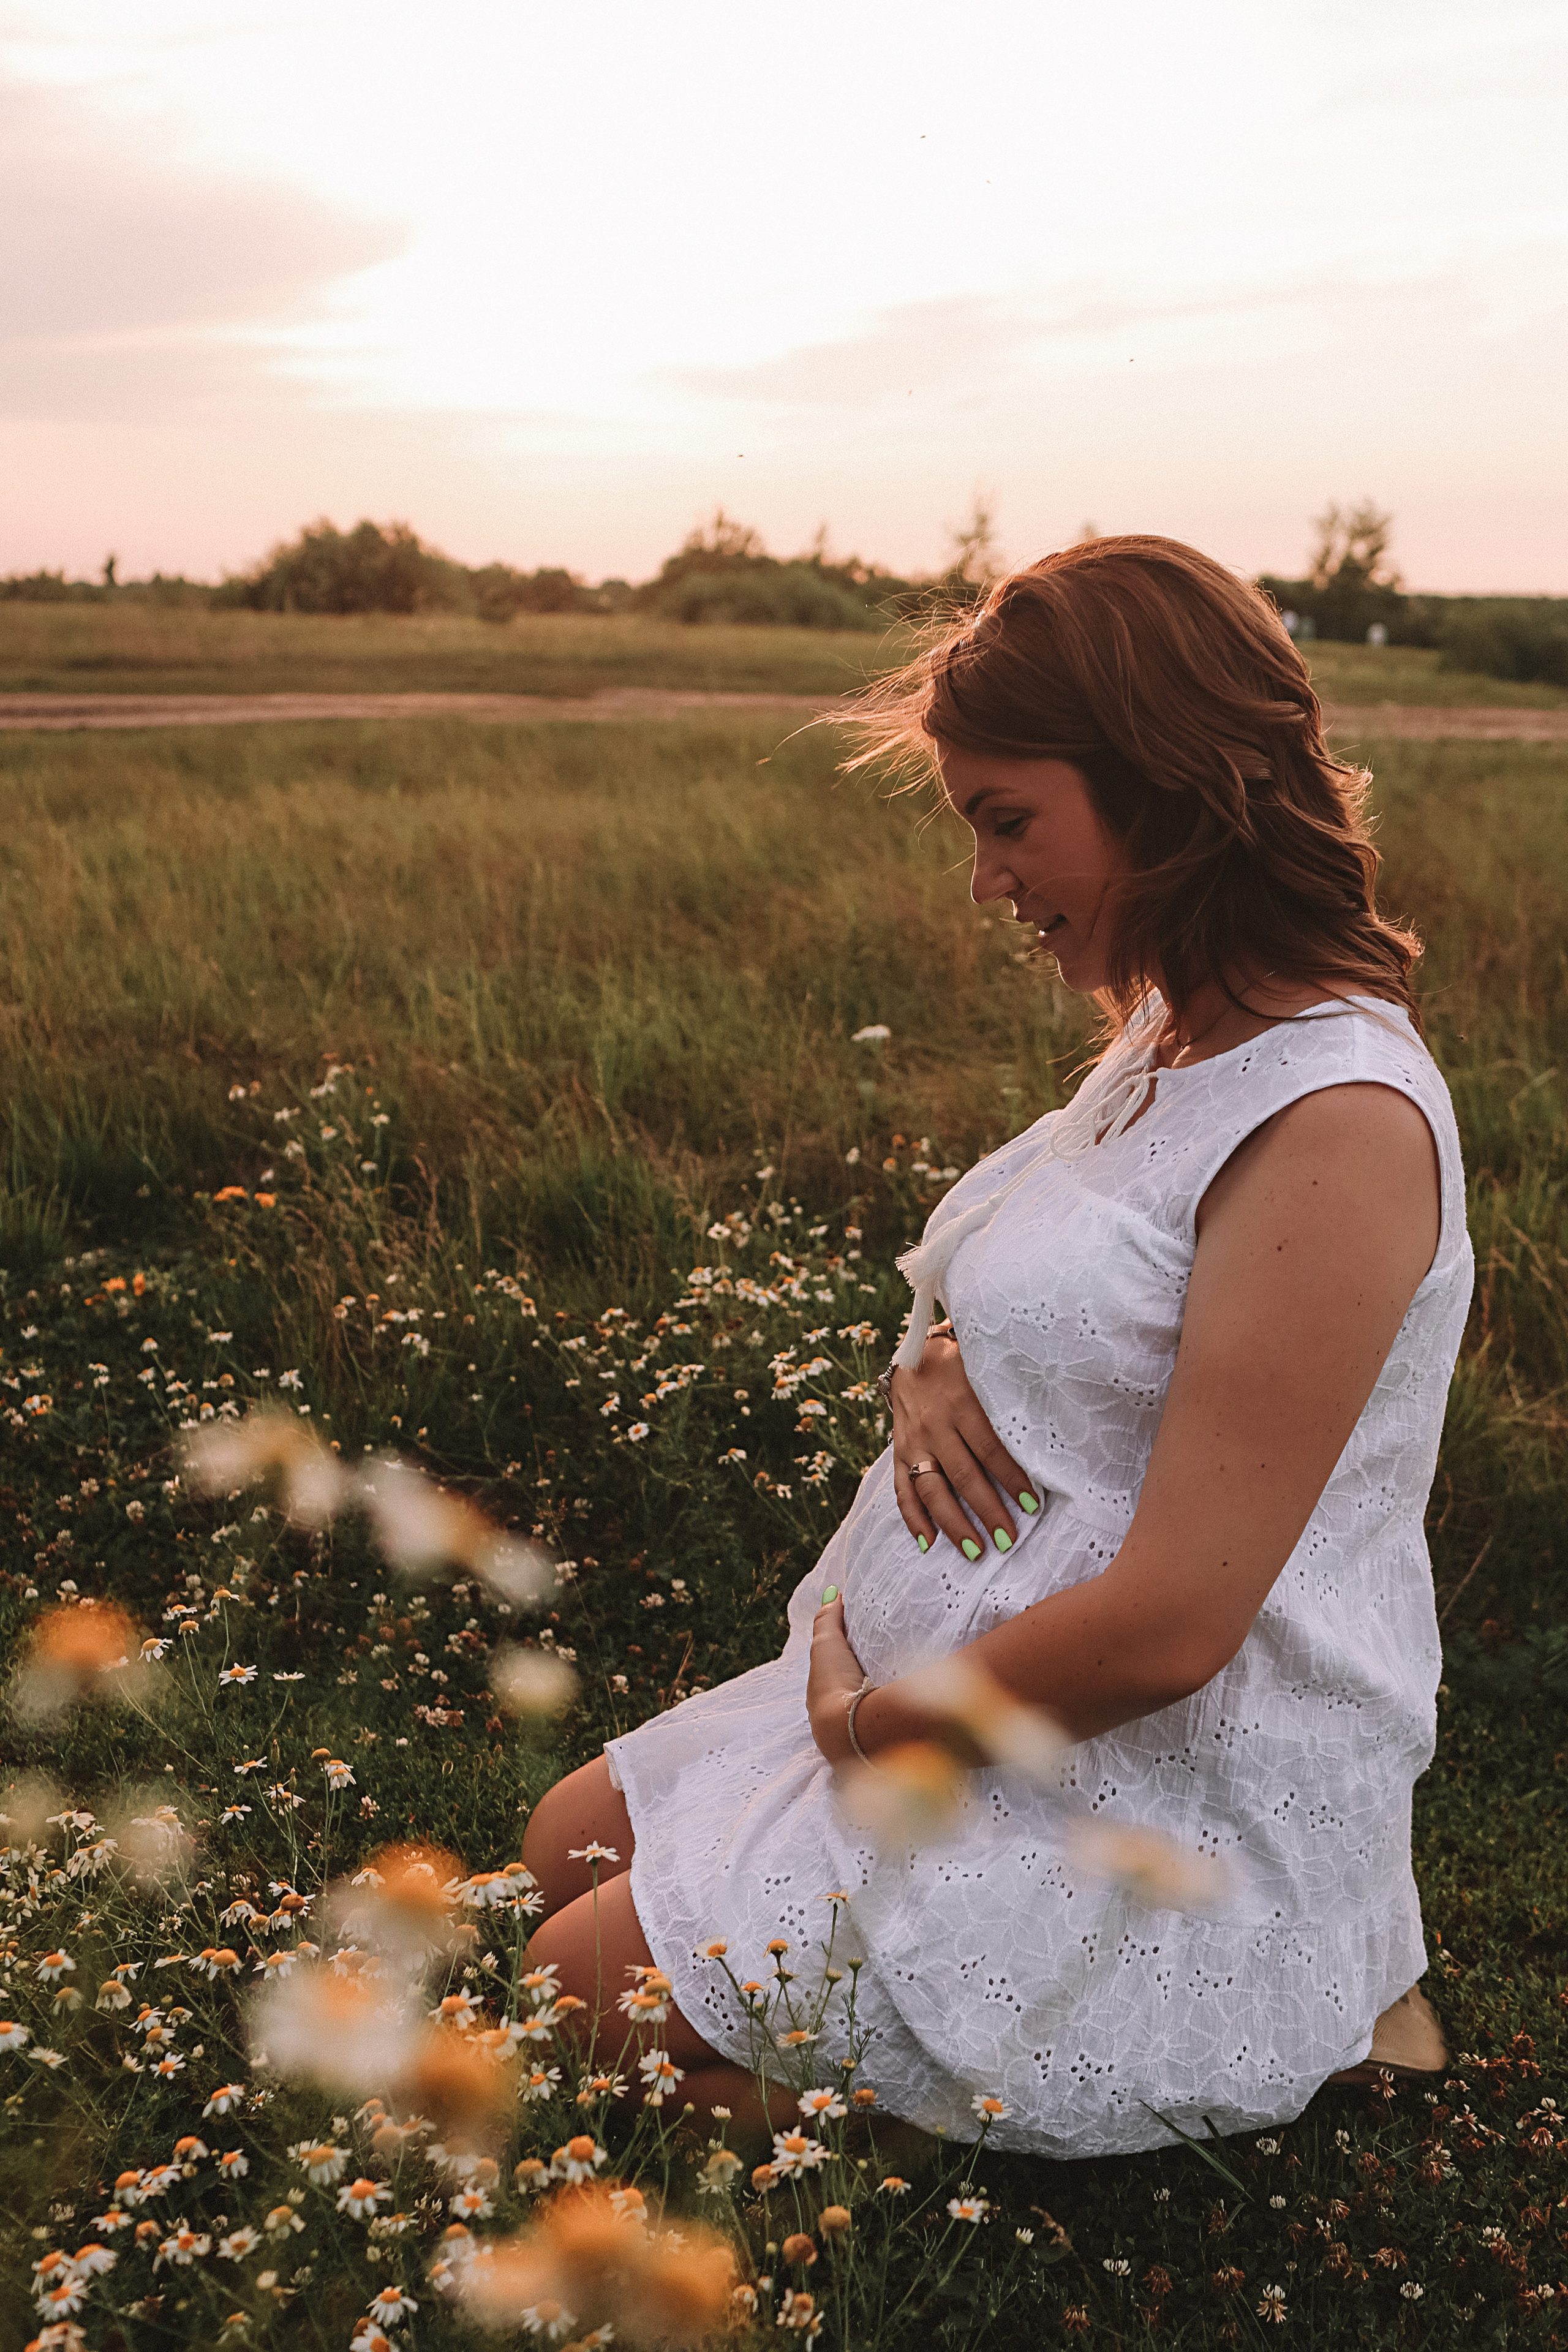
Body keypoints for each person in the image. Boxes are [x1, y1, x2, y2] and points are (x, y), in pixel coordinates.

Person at [521, 535, 1474, 2157]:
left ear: (1171, 794)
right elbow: (1061, 1256)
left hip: (1141, 1783)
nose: (986, 881)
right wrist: (938, 1359)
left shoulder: (1336, 1126)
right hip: (946, 1688)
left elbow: (1175, 1625)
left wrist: (866, 1730)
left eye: (1008, 822)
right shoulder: (1177, 1034)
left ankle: (1259, 2033)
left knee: (569, 1998)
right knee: (567, 1849)